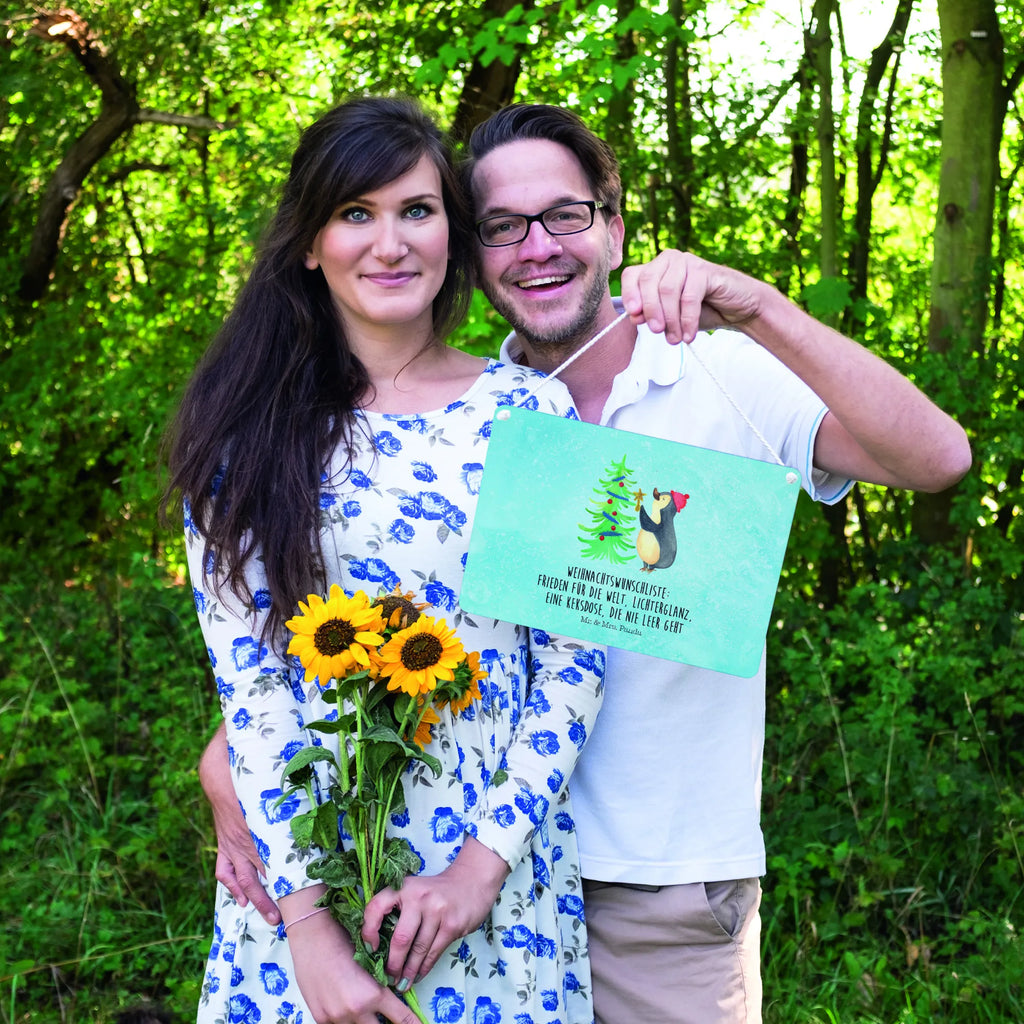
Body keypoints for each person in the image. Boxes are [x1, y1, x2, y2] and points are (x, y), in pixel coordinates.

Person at [201, 102, 972, 1024]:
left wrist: (760, 306)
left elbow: (938, 461)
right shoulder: (458, 416)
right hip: (425, 875)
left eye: (564, 215)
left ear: (612, 226)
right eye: (502, 227)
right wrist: (236, 769)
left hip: (653, 887)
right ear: (474, 252)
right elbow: (335, 632)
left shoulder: (709, 374)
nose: (537, 247)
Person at [165, 97, 606, 1024]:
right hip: (302, 887)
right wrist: (311, 936)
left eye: (416, 210)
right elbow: (252, 691)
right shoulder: (244, 437)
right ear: (309, 244)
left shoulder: (532, 416)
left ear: (452, 229)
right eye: (355, 214)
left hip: (492, 887)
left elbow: (573, 661)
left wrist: (479, 872)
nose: (390, 242)